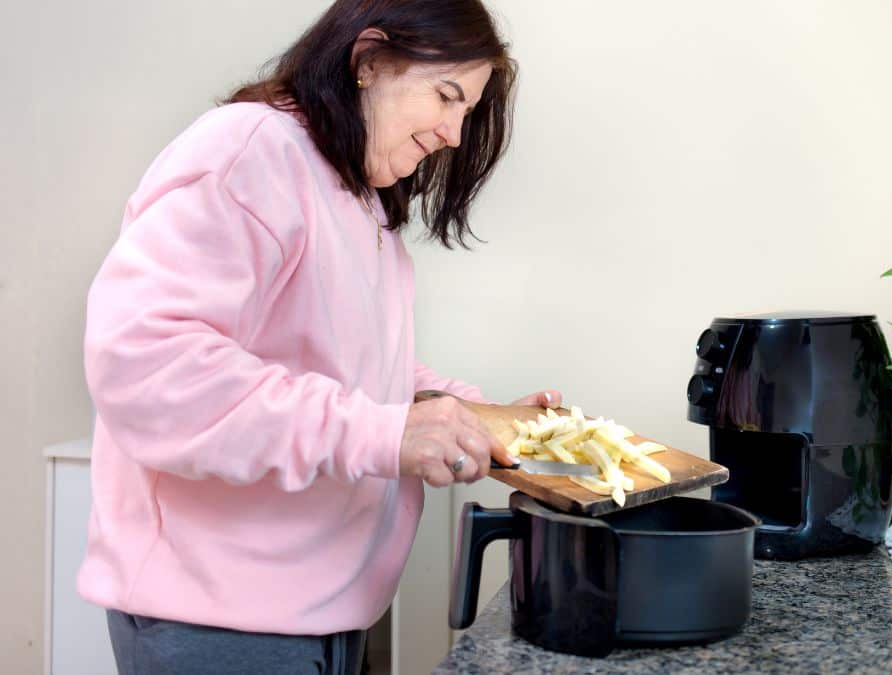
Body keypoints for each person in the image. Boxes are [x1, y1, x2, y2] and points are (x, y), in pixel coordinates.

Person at [78, 1, 556, 672]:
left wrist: (472, 416)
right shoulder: (252, 149)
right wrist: (385, 434)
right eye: (447, 96)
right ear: (369, 61)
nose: (453, 132)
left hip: (321, 614)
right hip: (223, 622)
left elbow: (347, 369)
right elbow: (150, 366)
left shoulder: (355, 197)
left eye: (467, 111)